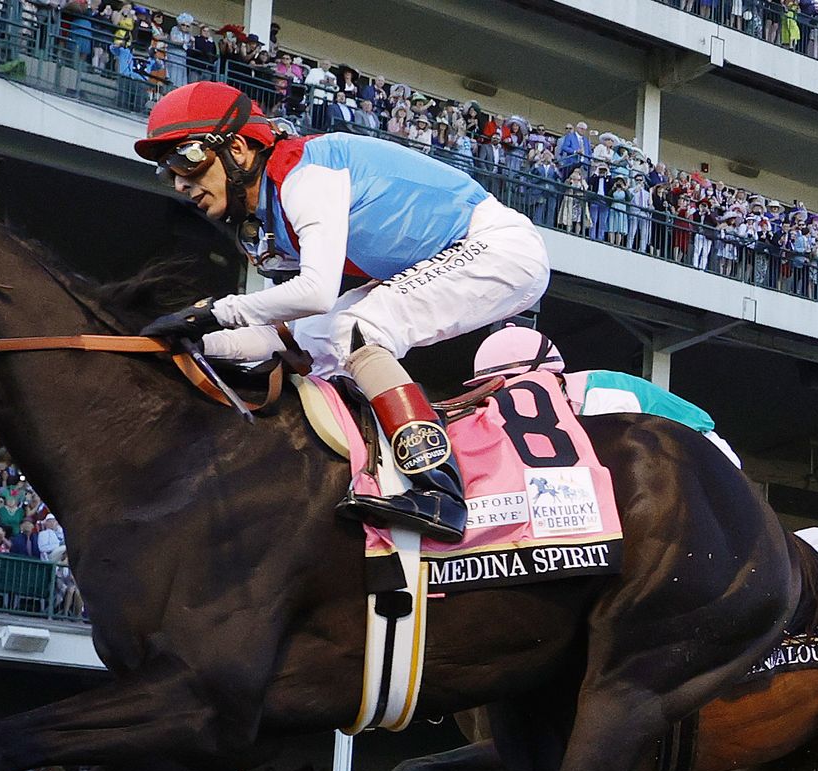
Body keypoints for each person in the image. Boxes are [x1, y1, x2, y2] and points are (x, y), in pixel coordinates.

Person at [135, 81, 551, 543]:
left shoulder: (304, 175)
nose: (178, 180)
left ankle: (441, 490)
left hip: (497, 246)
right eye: (165, 170)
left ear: (238, 148)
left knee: (361, 330)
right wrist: (182, 342)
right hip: (452, 253)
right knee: (314, 340)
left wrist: (215, 311)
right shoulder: (271, 205)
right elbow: (286, 333)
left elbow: (314, 291)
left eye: (185, 159)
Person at [469, 325, 739, 464]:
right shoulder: (562, 401)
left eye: (505, 387)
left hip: (707, 452)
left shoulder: (603, 398)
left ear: (544, 377)